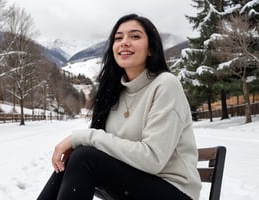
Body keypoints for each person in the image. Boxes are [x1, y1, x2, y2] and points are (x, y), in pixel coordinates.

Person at [37, 13, 202, 200]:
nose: (124, 42)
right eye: (118, 38)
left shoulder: (165, 84)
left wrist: (81, 137)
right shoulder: (116, 94)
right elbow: (107, 149)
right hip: (138, 186)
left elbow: (153, 159)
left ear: (151, 49)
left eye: (135, 36)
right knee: (73, 158)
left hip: (174, 191)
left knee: (84, 158)